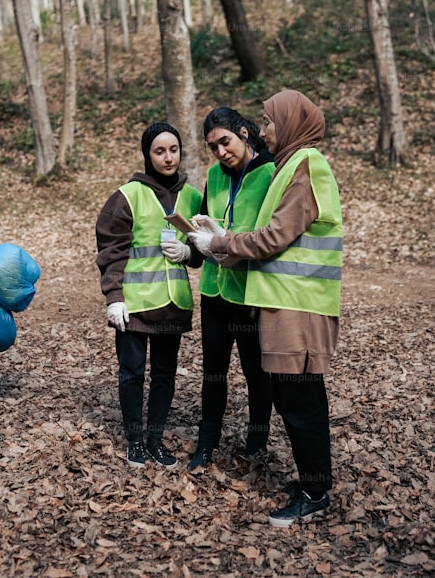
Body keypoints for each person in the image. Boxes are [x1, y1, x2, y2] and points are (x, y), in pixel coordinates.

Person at [188, 90, 341, 526]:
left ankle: (314, 493)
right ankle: (314, 482)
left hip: (301, 306)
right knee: (293, 396)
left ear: (290, 122)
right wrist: (218, 236)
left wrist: (216, 242)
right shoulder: (293, 165)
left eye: (269, 121)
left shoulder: (306, 167)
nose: (264, 130)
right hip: (283, 305)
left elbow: (273, 237)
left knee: (301, 401)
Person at [95, 122, 203, 469]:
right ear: (148, 155)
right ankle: (135, 441)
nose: (168, 157)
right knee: (131, 374)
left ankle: (156, 440)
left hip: (173, 305)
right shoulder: (128, 196)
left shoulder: (192, 198)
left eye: (173, 150)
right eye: (160, 151)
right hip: (135, 305)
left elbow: (203, 248)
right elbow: (111, 249)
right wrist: (114, 297)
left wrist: (190, 254)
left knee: (164, 375)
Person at [186, 106, 277, 472]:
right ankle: (206, 445)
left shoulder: (271, 171)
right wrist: (195, 242)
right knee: (213, 371)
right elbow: (205, 225)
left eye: (225, 142)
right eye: (213, 147)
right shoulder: (214, 175)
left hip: (251, 290)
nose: (221, 153)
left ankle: (257, 441)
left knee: (258, 372)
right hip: (215, 291)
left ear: (243, 133)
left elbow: (272, 234)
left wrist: (229, 241)